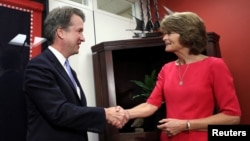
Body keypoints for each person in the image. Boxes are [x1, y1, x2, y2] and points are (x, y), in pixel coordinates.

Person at [124, 12, 241, 141]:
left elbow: (232, 117)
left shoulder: (214, 66)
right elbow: (151, 105)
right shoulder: (167, 69)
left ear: (187, 35)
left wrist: (185, 125)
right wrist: (125, 114)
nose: (164, 38)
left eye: (169, 33)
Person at [23, 6, 128, 141]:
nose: (83, 38)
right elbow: (59, 112)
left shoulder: (68, 70)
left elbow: (75, 111)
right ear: (60, 32)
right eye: (79, 31)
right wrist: (105, 114)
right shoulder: (38, 67)